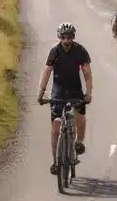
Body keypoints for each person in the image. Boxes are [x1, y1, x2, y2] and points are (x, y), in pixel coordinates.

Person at [37, 22, 93, 175]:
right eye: (64, 37)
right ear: (59, 37)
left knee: (80, 114)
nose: (67, 40)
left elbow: (87, 74)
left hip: (75, 90)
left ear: (73, 37)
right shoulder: (55, 52)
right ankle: (56, 161)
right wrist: (41, 93)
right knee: (56, 128)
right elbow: (47, 72)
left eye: (69, 37)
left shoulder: (80, 51)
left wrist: (88, 93)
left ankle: (79, 142)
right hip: (58, 92)